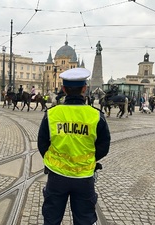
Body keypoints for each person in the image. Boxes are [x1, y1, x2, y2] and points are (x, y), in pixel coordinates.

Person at [37, 67, 110, 225]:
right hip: (84, 178)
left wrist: (53, 159)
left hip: (56, 177)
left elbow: (42, 143)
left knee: (51, 220)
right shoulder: (96, 115)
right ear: (84, 89)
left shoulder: (51, 114)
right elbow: (104, 146)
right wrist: (89, 158)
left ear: (64, 89)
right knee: (84, 220)